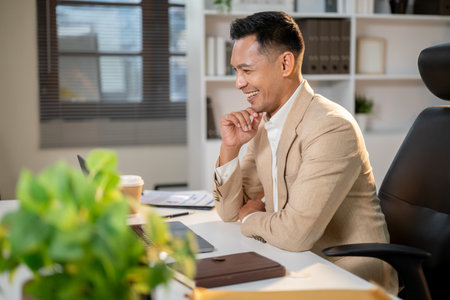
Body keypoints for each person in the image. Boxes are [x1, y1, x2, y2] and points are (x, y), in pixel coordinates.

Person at [212, 11, 398, 294]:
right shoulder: (265, 122)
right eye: (236, 71)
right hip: (293, 260)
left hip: (349, 276)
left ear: (285, 63)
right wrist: (231, 147)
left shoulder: (330, 126)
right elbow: (228, 211)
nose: (239, 83)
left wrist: (250, 218)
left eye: (247, 70)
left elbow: (296, 234)